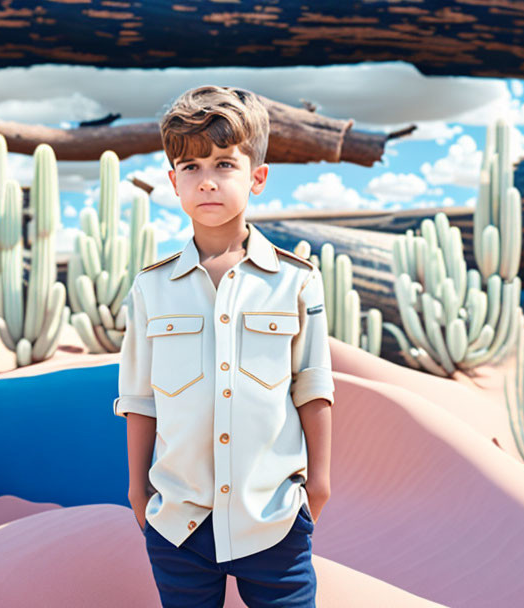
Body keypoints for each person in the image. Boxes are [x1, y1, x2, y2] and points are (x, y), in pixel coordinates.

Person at [112, 85, 335, 607]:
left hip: (273, 516)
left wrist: (317, 485)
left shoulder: (296, 281)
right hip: (179, 521)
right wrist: (137, 492)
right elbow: (140, 397)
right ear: (173, 181)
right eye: (190, 167)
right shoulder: (151, 288)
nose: (206, 181)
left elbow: (314, 385)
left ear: (256, 177)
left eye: (223, 164)